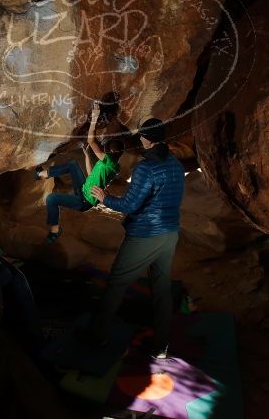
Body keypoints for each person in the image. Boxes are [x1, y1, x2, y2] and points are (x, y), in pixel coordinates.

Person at [85, 117, 185, 359]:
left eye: (141, 135)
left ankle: (97, 336)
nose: (139, 138)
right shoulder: (175, 164)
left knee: (116, 284)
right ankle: (161, 346)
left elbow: (130, 204)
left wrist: (104, 197)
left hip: (145, 235)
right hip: (170, 234)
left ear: (146, 139)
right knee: (161, 289)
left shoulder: (146, 167)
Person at [36, 102, 124, 244]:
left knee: (52, 199)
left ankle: (55, 231)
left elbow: (91, 140)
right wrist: (87, 157)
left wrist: (94, 118)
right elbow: (91, 176)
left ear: (108, 153)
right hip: (84, 189)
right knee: (72, 165)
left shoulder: (108, 162)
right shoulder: (113, 166)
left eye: (105, 149)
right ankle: (43, 174)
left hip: (83, 201)